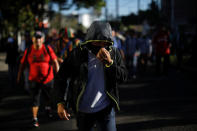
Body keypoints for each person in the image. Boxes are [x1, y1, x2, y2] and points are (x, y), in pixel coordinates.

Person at [55, 21, 127, 131]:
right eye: (97, 43)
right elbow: (61, 76)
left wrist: (110, 63)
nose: (101, 47)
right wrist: (61, 102)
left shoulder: (114, 53)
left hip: (106, 109)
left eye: (104, 43)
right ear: (89, 41)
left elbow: (123, 77)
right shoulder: (78, 53)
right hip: (83, 110)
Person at [17, 30, 59, 127]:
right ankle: (35, 118)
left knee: (48, 97)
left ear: (43, 39)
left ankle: (48, 108)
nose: (38, 40)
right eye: (36, 38)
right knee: (35, 100)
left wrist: (58, 74)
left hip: (48, 79)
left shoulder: (47, 48)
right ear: (33, 39)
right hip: (34, 80)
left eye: (40, 38)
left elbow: (55, 61)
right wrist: (19, 76)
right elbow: (22, 64)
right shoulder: (29, 50)